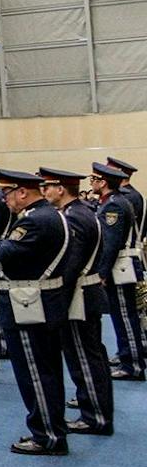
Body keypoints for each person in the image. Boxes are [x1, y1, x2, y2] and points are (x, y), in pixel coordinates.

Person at [0, 169, 72, 455]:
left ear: (21, 192)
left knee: (35, 373)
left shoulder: (36, 221)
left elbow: (7, 252)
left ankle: (47, 435)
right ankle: (51, 429)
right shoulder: (47, 216)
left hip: (29, 305)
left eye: (6, 193)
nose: (4, 200)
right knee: (45, 370)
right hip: (38, 302)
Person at [40, 167, 111, 437]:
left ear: (61, 189)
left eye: (48, 186)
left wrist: (56, 304)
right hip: (86, 291)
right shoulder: (81, 212)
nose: (44, 191)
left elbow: (71, 265)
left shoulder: (73, 218)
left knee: (84, 358)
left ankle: (95, 416)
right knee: (89, 356)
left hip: (78, 295)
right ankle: (94, 409)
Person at [91, 162, 142, 381]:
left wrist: (101, 273)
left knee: (124, 316)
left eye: (93, 179)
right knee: (122, 315)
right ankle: (127, 358)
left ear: (103, 182)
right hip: (118, 265)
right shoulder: (113, 201)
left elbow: (110, 243)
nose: (91, 182)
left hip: (119, 267)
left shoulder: (113, 205)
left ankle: (133, 364)